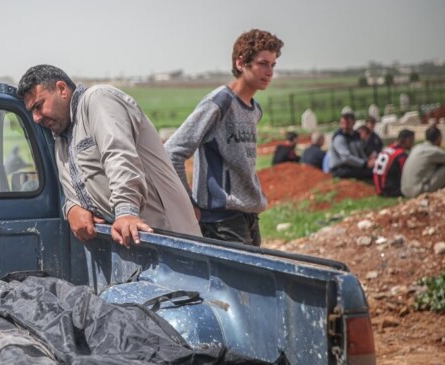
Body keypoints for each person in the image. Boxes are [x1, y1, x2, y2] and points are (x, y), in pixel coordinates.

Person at [17, 65, 201, 247]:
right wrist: (71, 208)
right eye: (31, 111)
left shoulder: (98, 100)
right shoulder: (61, 136)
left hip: (169, 239)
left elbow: (119, 155)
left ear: (62, 89)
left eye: (39, 106)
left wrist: (126, 211)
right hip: (132, 243)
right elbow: (73, 187)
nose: (36, 118)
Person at [165, 29, 283, 246]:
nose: (269, 72)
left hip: (248, 216)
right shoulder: (219, 102)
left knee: (254, 280)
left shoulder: (254, 110)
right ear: (241, 63)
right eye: (262, 63)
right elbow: (172, 151)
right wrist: (188, 204)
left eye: (273, 65)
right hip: (220, 221)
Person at [401, 124, 445, 198]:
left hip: (405, 190)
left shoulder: (416, 148)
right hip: (417, 191)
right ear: (439, 138)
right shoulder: (433, 151)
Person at [328, 110, 375, 181]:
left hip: (353, 166)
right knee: (369, 174)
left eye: (348, 120)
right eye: (344, 120)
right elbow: (346, 158)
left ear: (353, 122)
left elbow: (361, 151)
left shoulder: (355, 135)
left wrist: (368, 161)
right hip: (340, 169)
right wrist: (365, 164)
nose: (345, 123)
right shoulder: (339, 137)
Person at [373, 129, 414, 196]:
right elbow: (406, 175)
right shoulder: (401, 155)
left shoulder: (386, 149)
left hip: (378, 187)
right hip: (389, 190)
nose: (412, 143)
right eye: (412, 140)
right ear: (407, 140)